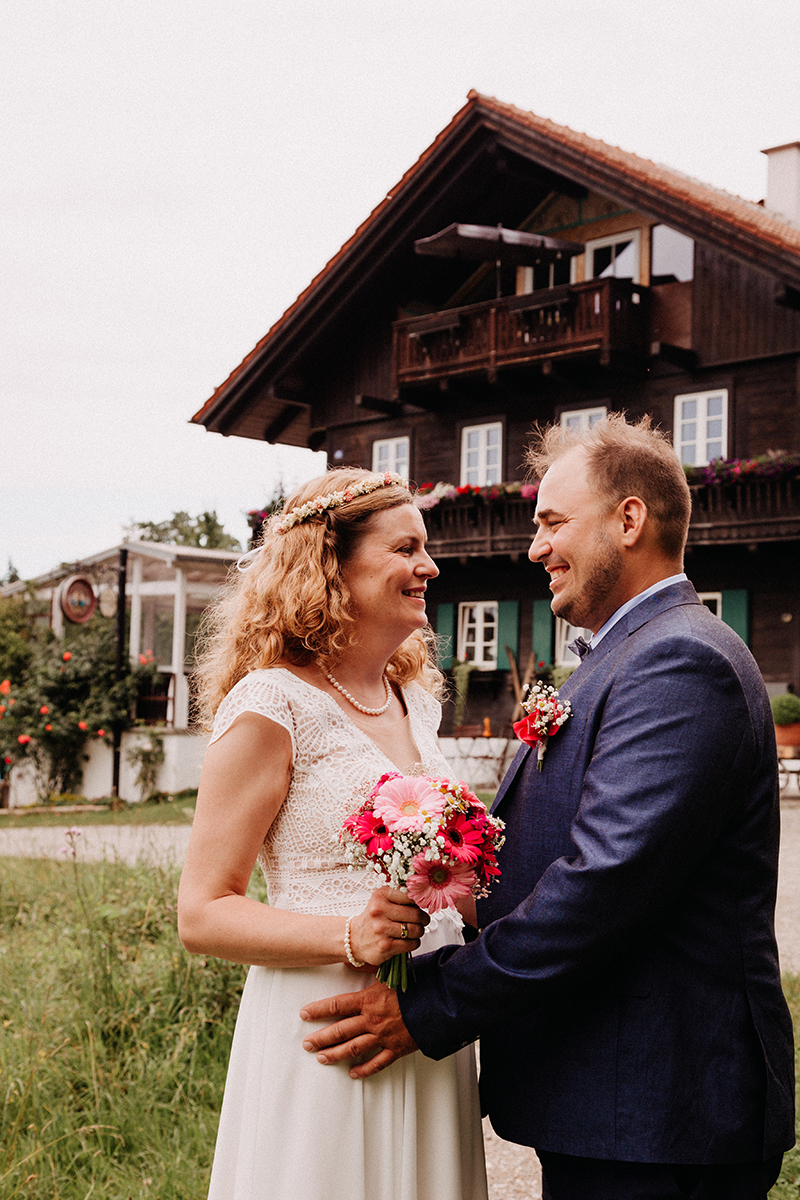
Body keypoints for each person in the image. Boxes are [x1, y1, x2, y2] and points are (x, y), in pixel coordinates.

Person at [301, 416, 796, 1200]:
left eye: (553, 523)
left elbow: (601, 885)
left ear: (629, 520)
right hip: (623, 1107)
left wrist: (431, 1001)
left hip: (660, 1109)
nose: (535, 548)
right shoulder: (631, 655)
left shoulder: (678, 661)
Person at [177, 467, 488, 1200]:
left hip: (422, 1025)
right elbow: (202, 913)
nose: (429, 567)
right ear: (330, 565)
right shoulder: (271, 705)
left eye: (425, 548)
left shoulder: (415, 702)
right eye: (405, 548)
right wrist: (351, 936)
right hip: (329, 1032)